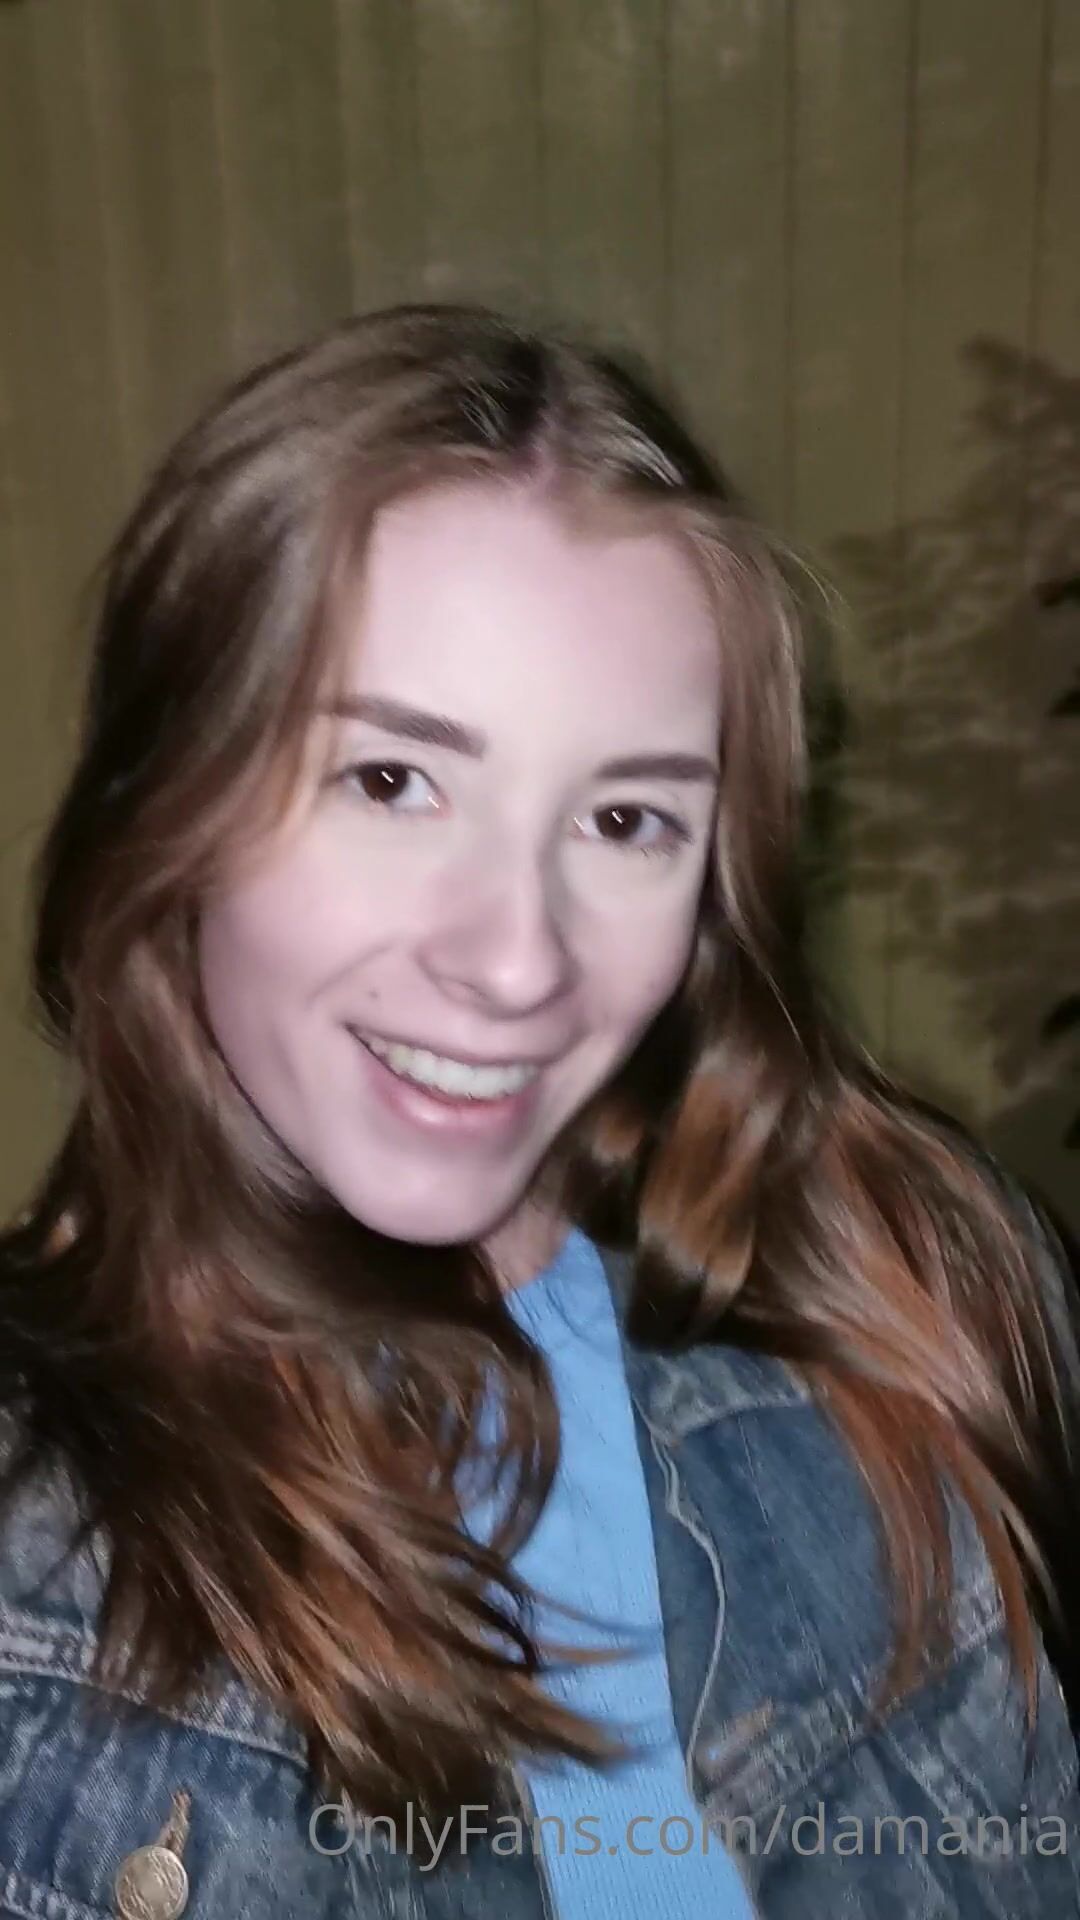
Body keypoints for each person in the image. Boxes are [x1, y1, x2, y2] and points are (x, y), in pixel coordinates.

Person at [0, 303, 1077, 1920]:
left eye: (628, 818)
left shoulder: (919, 1293)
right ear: (171, 804)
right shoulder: (34, 1547)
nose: (517, 960)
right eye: (389, 782)